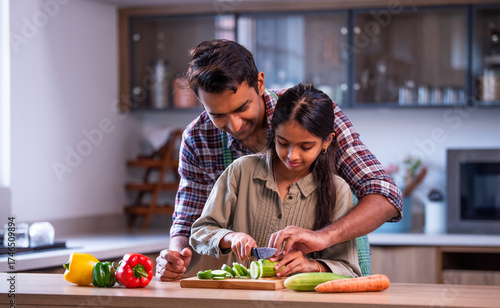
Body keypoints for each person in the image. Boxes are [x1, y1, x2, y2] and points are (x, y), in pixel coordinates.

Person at [156, 39, 402, 281]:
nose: (235, 125)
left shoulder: (310, 112)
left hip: (328, 273)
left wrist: (323, 238)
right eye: (218, 115)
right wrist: (175, 257)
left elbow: (385, 195)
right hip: (253, 286)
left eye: (242, 108)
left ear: (260, 83)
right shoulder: (198, 138)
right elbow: (189, 218)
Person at [189, 83, 361, 277]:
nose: (292, 156)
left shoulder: (338, 190)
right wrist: (229, 237)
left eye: (305, 146)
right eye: (283, 143)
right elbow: (200, 233)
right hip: (239, 300)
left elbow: (349, 270)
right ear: (273, 132)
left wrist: (312, 265)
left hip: (305, 305)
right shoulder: (240, 171)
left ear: (327, 141)